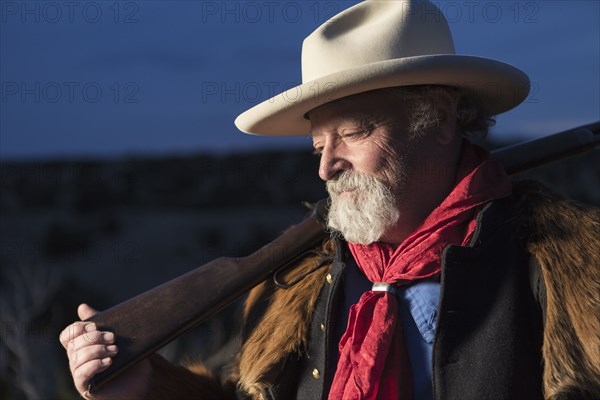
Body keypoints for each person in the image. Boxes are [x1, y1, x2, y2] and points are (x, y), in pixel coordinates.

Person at [60, 1, 600, 399]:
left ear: (437, 116)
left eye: (355, 133)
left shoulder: (569, 267)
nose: (325, 165)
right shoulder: (295, 284)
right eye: (319, 144)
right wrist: (150, 384)